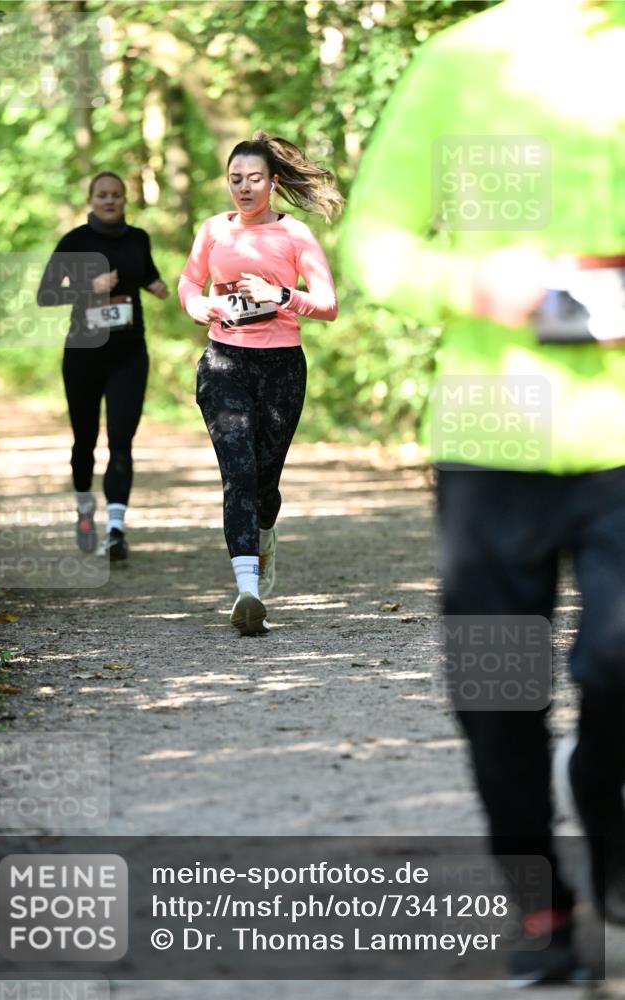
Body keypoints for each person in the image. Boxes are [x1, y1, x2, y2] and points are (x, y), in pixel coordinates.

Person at [341, 0, 625, 985]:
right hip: (491, 426)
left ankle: (605, 817)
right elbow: (372, 244)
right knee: (496, 692)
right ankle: (542, 906)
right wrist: (478, 284)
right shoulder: (460, 60)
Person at [179, 131, 342, 635]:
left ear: (272, 182)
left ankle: (264, 536)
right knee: (240, 473)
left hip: (282, 369)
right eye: (235, 180)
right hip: (224, 364)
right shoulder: (213, 230)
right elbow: (189, 281)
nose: (244, 189)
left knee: (265, 484)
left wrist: (282, 294)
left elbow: (328, 305)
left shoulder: (295, 234)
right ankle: (247, 592)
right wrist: (196, 304)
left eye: (253, 179)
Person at [37, 171, 168, 560]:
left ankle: (115, 530)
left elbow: (146, 274)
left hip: (129, 353)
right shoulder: (75, 241)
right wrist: (88, 288)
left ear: (125, 200)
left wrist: (157, 286)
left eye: (116, 195)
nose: (109, 201)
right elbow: (45, 294)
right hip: (84, 353)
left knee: (121, 440)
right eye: (102, 195)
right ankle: (83, 510)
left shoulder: (138, 238)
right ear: (91, 199)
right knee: (85, 441)